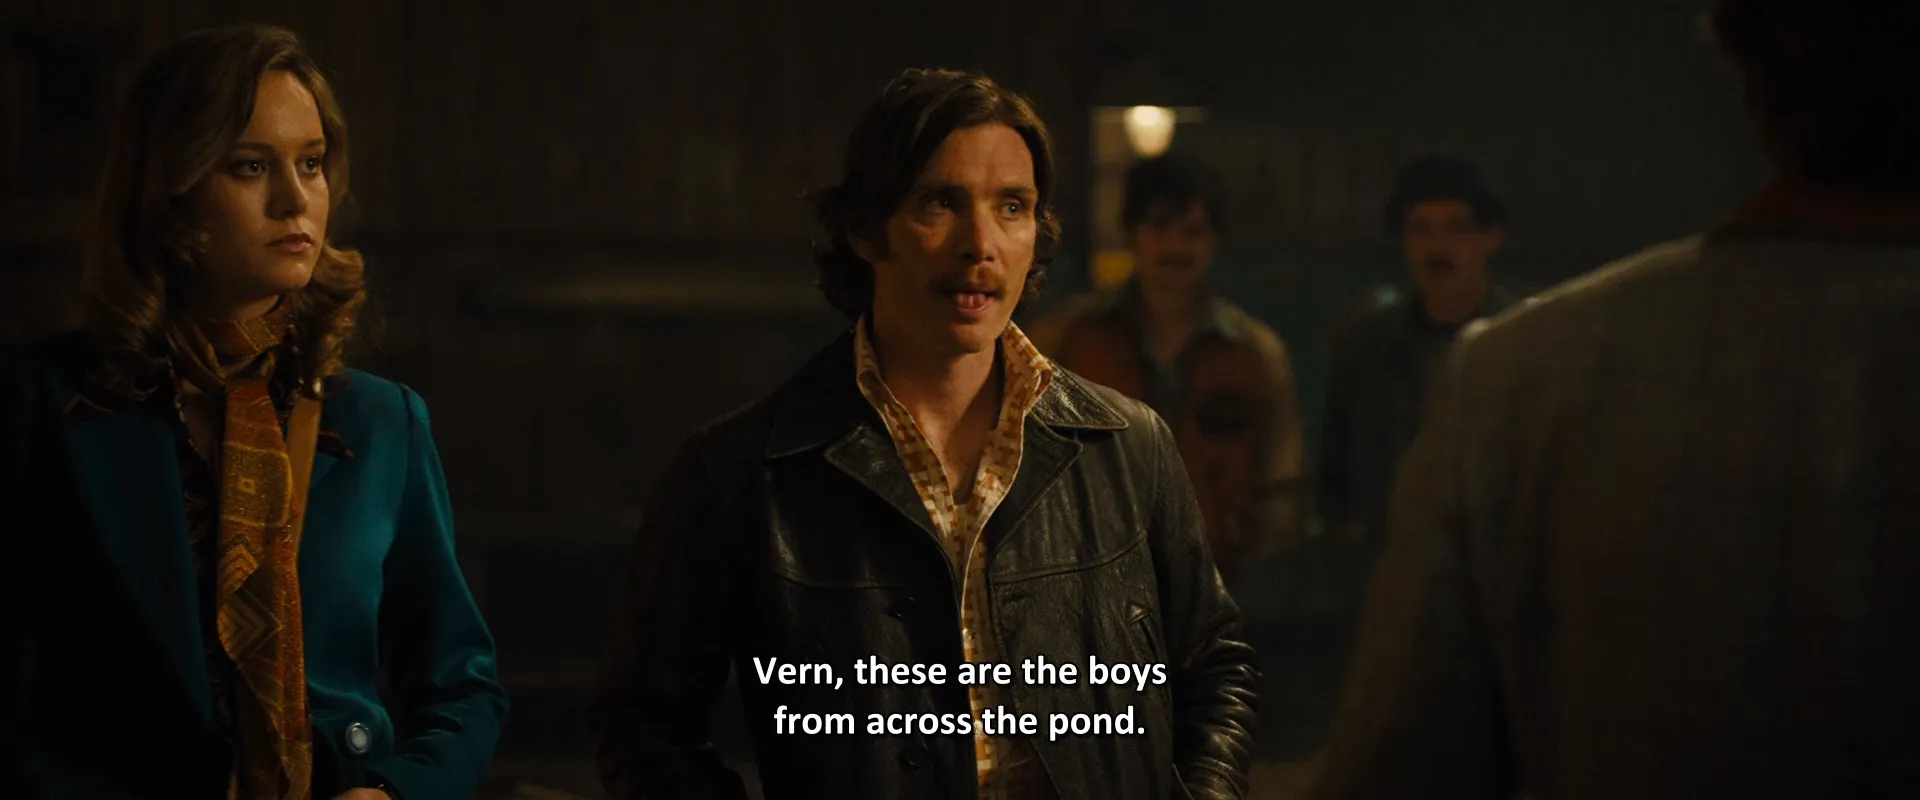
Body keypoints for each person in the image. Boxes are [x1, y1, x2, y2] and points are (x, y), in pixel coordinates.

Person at [589, 68, 1257, 800]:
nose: (980, 244)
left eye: (1012, 206)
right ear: (863, 228)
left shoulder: (1128, 446)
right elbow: (642, 724)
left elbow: (1214, 666)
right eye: (940, 201)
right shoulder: (743, 473)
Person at [1307, 1, 1920, 797]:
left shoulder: (1521, 372)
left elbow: (1395, 765)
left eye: (1455, 227)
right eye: (1421, 228)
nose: (1437, 245)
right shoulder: (1478, 368)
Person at [0, 25, 507, 799]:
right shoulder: (47, 405)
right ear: (168, 194)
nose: (295, 199)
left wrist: (396, 792)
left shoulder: (381, 422)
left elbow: (463, 684)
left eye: (312, 163)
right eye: (250, 166)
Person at [1027, 155, 1308, 581]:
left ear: (1215, 239)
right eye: (1159, 227)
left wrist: (1257, 568)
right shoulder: (1067, 338)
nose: (1176, 246)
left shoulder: (1255, 353)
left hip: (1221, 581)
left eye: (1193, 231)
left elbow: (1283, 481)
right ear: (1131, 234)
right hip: (1089, 581)